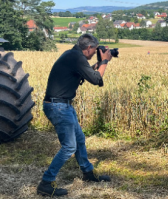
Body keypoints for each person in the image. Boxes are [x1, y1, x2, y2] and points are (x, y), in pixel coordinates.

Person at [37, 34, 112, 197]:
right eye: (94, 51)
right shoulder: (76, 57)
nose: (94, 54)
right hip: (58, 106)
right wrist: (104, 62)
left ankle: (88, 173)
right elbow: (96, 80)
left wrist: (98, 64)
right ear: (89, 48)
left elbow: (85, 72)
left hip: (62, 105)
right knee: (69, 146)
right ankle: (46, 182)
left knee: (79, 140)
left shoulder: (72, 55)